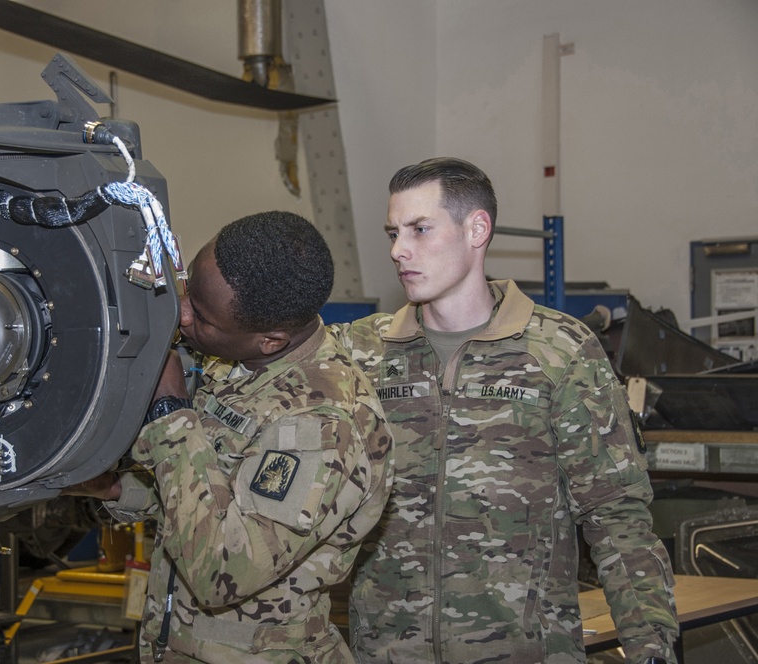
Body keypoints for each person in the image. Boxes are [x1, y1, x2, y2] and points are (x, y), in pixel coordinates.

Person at [331, 157, 679, 663]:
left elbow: (616, 515)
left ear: (477, 229)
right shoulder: (361, 352)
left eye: (419, 230)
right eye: (393, 232)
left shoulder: (558, 349)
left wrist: (650, 647)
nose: (398, 250)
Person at [74, 210, 394, 663]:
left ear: (270, 340)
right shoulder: (236, 362)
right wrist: (115, 487)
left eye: (201, 317)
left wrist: (171, 411)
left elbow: (223, 569)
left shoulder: (321, 426)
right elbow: (208, 491)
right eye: (187, 290)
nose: (181, 314)